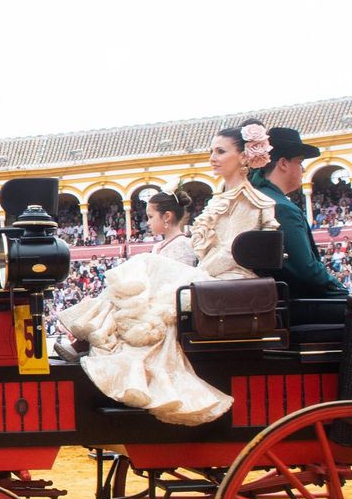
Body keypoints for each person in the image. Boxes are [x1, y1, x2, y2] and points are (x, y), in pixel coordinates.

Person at [55, 122, 280, 425]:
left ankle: (88, 338)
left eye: (220, 151)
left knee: (147, 265)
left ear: (243, 157)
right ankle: (88, 338)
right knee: (147, 266)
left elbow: (228, 255)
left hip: (228, 281)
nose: (212, 157)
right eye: (212, 150)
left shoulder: (250, 201)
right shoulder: (223, 198)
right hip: (211, 278)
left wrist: (190, 276)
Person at [250, 127, 348, 298]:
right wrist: (340, 288)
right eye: (300, 162)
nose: (303, 169)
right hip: (296, 302)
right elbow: (307, 270)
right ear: (283, 163)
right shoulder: (280, 207)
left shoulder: (260, 196)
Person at [145, 189, 197, 265]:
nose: (148, 223)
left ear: (167, 216)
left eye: (151, 217)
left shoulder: (183, 246)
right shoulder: (157, 246)